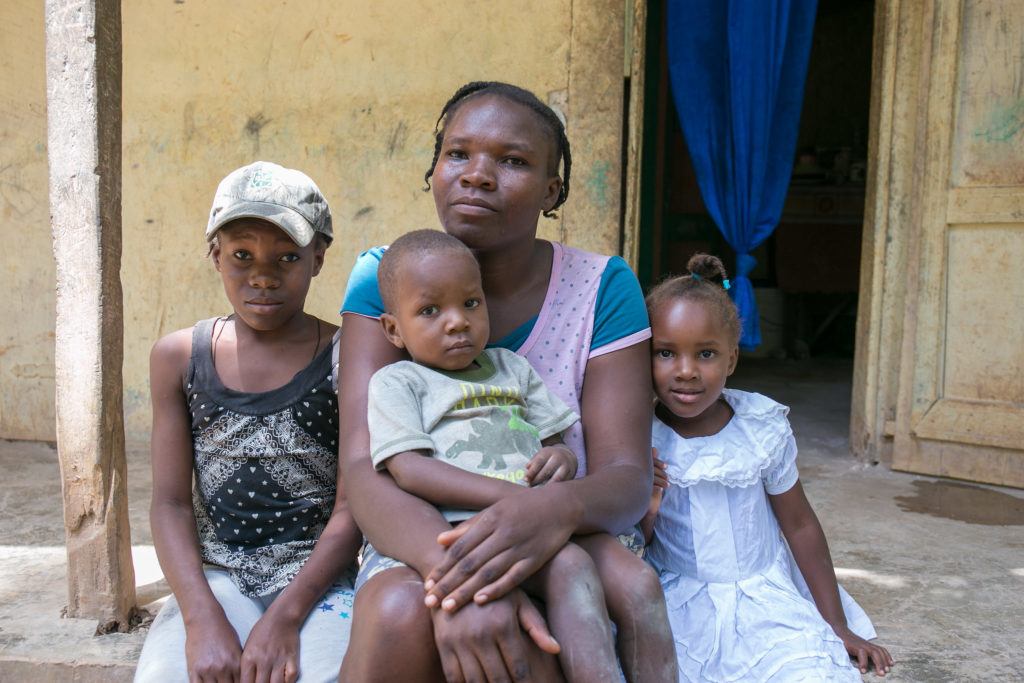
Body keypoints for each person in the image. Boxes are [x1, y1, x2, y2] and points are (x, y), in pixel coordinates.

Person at [337, 81, 675, 682]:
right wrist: (461, 581)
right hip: (429, 527)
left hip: (569, 520)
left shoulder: (603, 287)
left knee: (626, 584)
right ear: (434, 170)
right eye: (457, 154)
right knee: (398, 610)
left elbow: (625, 478)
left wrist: (549, 510)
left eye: (513, 161)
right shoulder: (386, 278)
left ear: (553, 191)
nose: (477, 175)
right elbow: (367, 473)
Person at [135, 161, 362, 683]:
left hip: (322, 579)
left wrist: (285, 617)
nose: (263, 274)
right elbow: (169, 503)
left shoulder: (345, 356)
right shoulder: (179, 357)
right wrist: (200, 617)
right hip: (216, 580)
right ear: (216, 256)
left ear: (319, 260)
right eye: (242, 255)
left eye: (287, 257)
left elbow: (354, 507)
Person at [367, 228, 621, 681]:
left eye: (470, 303)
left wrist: (560, 461)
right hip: (452, 530)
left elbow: (556, 447)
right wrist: (513, 499)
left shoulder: (511, 367)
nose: (457, 322)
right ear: (393, 329)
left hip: (530, 529)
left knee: (575, 568)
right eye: (429, 311)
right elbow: (408, 468)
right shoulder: (399, 382)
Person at [641, 253, 895, 682]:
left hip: (763, 595)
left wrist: (836, 625)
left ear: (732, 360)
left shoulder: (760, 429)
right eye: (665, 353)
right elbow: (636, 545)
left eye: (705, 353)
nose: (685, 372)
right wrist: (647, 505)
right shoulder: (641, 437)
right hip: (679, 602)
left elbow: (799, 524)